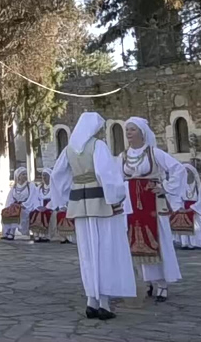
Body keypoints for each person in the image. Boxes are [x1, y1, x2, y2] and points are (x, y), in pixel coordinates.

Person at [49, 112, 136, 321]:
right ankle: (104, 303)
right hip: (100, 203)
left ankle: (91, 301)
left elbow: (56, 175)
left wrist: (62, 198)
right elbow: (106, 174)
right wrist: (117, 197)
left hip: (79, 205)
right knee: (104, 251)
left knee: (87, 254)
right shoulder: (98, 146)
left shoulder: (69, 149)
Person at [122, 117, 185, 303]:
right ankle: (148, 281)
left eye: (132, 129)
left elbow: (178, 169)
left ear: (142, 132)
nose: (128, 133)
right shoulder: (123, 156)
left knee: (158, 240)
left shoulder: (154, 153)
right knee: (135, 241)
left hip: (153, 205)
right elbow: (116, 179)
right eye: (127, 130)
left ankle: (163, 284)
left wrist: (165, 186)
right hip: (132, 206)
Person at [175, 164, 201, 250]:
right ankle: (185, 243)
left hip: (195, 211)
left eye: (187, 172)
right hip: (184, 210)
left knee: (197, 226)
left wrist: (191, 209)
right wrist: (180, 208)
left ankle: (196, 244)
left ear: (192, 173)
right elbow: (178, 198)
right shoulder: (181, 186)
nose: (186, 174)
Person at [2, 167, 33, 240]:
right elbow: (10, 198)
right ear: (18, 176)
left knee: (20, 212)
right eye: (23, 174)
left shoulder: (30, 186)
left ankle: (13, 233)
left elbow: (33, 197)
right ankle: (9, 232)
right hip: (16, 206)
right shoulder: (14, 187)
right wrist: (11, 205)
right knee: (9, 211)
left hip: (26, 206)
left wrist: (24, 204)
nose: (25, 176)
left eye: (26, 174)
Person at [29, 167, 55, 243]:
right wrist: (38, 206)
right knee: (35, 213)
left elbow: (55, 199)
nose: (44, 177)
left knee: (44, 214)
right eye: (43, 175)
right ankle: (37, 234)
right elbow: (35, 198)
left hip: (50, 206)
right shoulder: (39, 187)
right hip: (40, 205)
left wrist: (46, 207)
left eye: (46, 175)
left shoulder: (54, 187)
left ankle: (44, 235)